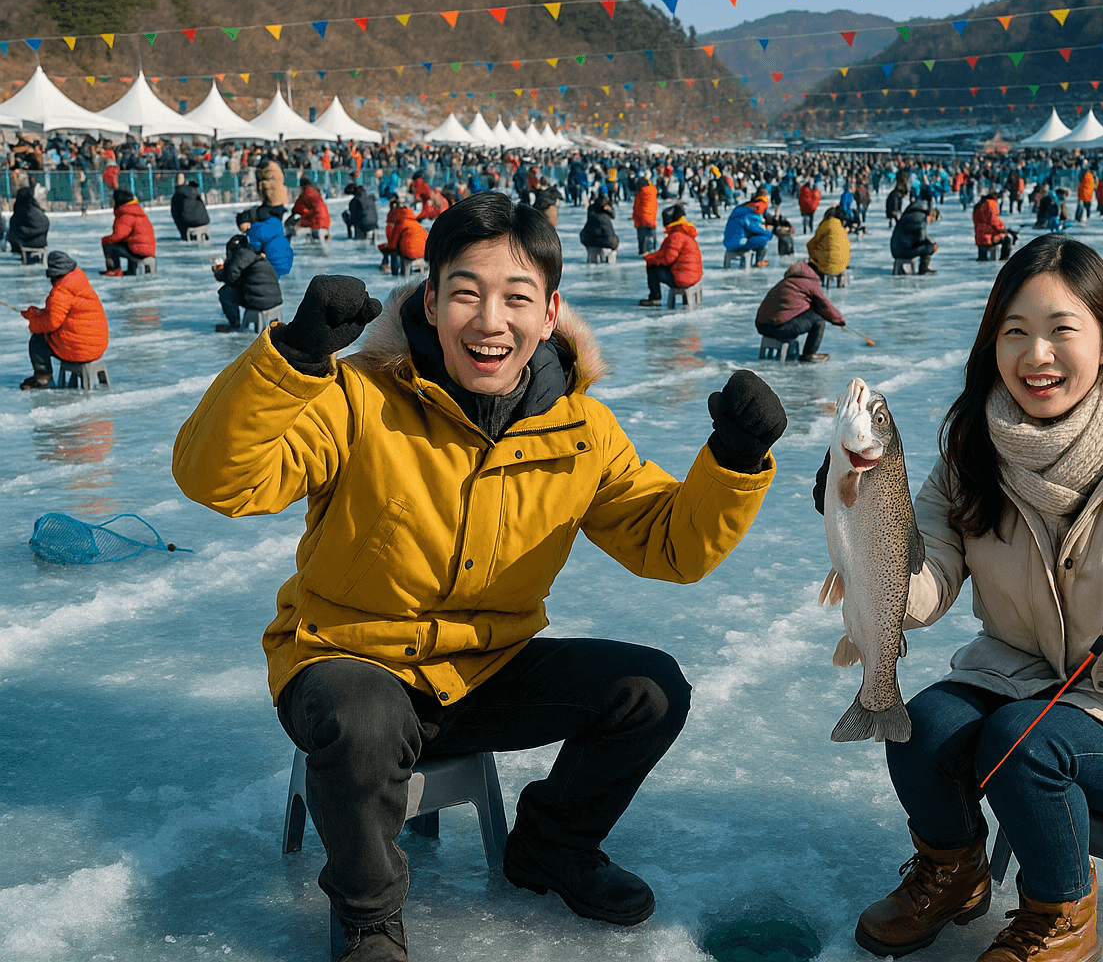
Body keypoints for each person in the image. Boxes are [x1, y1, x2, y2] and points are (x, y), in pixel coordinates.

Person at [171, 192, 785, 960]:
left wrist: (732, 463)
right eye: (466, 292)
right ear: (430, 300)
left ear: (550, 312)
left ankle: (552, 847)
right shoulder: (357, 396)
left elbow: (671, 547)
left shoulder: (581, 429)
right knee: (360, 719)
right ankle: (368, 919)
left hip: (484, 669)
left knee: (651, 691)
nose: (490, 321)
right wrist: (292, 363)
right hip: (348, 659)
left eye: (516, 298)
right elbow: (217, 480)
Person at [828, 235, 1103, 962]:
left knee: (1021, 744)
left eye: (1060, 330)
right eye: (1015, 333)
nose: (1036, 355)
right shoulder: (972, 449)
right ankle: (954, 871)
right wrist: (863, 535)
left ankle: (1061, 916)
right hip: (1023, 675)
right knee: (920, 730)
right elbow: (930, 583)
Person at [19, 252, 110, 389]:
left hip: (80, 349)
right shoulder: (79, 282)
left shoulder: (61, 291)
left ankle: (42, 378)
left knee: (37, 340)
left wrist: (33, 320)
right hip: (97, 347)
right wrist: (39, 313)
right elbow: (61, 314)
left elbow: (51, 324)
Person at [755, 260, 846, 363]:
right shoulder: (809, 283)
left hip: (762, 326)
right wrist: (840, 320)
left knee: (812, 314)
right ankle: (808, 354)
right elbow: (824, 304)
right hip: (778, 328)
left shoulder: (788, 281)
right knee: (819, 320)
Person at [212, 233, 283, 333]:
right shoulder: (254, 255)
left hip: (260, 302)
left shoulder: (240, 255)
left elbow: (231, 277)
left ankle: (234, 326)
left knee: (225, 292)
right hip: (275, 300)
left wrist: (218, 272)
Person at [639, 203, 702, 306]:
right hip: (693, 276)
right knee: (655, 264)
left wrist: (651, 259)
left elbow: (668, 258)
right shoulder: (685, 232)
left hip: (683, 278)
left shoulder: (676, 235)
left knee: (652, 269)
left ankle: (655, 298)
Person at [100, 187, 156, 276]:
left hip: (140, 251)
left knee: (108, 245)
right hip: (149, 250)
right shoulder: (136, 210)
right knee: (131, 243)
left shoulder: (126, 214)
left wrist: (105, 240)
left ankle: (114, 269)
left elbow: (119, 235)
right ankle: (131, 270)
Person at [724, 192, 774, 267]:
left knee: (755, 238)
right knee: (763, 239)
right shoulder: (749, 213)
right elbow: (754, 229)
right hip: (739, 244)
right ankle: (759, 261)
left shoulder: (739, 209)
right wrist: (769, 234)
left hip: (728, 242)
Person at [244, 205, 294, 278]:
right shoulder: (276, 221)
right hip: (288, 261)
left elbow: (255, 248)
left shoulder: (254, 229)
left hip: (273, 265)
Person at [893, 197, 939, 274]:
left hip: (898, 246)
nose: (931, 221)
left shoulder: (916, 213)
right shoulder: (920, 218)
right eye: (932, 218)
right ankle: (923, 268)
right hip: (901, 249)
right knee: (930, 247)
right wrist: (930, 243)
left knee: (928, 245)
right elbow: (920, 238)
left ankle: (924, 267)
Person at [807, 205, 851, 279]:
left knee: (814, 253)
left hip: (825, 264)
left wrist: (813, 257)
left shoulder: (825, 224)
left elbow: (811, 244)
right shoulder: (841, 228)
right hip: (842, 265)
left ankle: (818, 279)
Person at [6, 184, 50, 253]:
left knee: (13, 229)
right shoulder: (32, 207)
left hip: (33, 241)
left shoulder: (27, 210)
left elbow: (41, 226)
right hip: (40, 240)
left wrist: (23, 231)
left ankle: (16, 249)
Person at [972, 192, 1014, 260]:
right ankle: (1004, 259)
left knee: (982, 259)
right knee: (1007, 239)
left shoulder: (980, 204)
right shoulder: (991, 203)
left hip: (980, 237)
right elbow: (993, 220)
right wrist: (1002, 229)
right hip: (990, 236)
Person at [632, 174, 657, 253]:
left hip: (641, 218)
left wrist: (634, 218)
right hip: (652, 217)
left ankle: (642, 251)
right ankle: (652, 250)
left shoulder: (639, 194)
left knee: (642, 237)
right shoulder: (653, 191)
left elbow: (636, 207)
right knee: (652, 236)